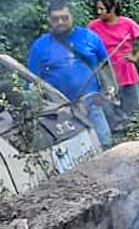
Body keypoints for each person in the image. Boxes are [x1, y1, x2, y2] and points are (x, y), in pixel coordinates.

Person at [27, 0, 113, 148]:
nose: (60, 22)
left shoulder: (90, 38)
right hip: (61, 115)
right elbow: (31, 82)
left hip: (91, 105)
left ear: (72, 17)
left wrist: (109, 89)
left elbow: (104, 65)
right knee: (75, 153)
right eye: (55, 19)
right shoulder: (39, 46)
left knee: (105, 145)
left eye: (65, 18)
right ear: (48, 19)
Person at [88, 0, 139, 121]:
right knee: (110, 114)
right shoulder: (93, 26)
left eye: (102, 9)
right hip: (105, 76)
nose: (98, 12)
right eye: (98, 9)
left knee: (135, 112)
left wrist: (135, 56)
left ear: (111, 9)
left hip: (126, 73)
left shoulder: (127, 23)